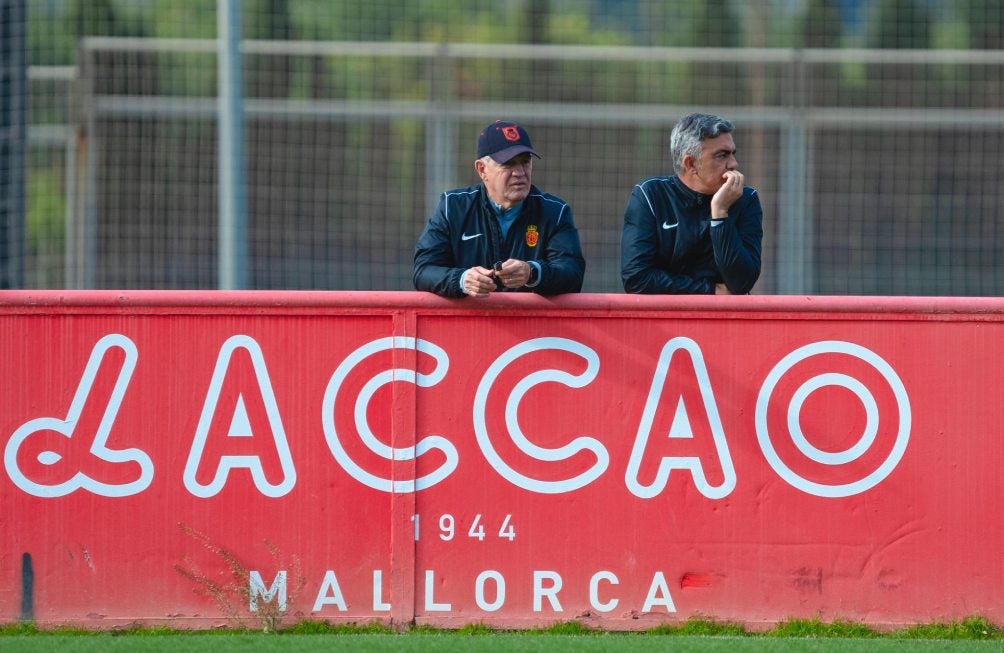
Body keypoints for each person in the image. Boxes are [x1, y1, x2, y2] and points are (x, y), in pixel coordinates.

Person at [414, 120, 585, 297]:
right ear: (482, 170)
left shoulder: (555, 212)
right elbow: (424, 271)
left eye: (525, 162)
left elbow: (572, 273)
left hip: (530, 324)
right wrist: (463, 280)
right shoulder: (452, 207)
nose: (519, 172)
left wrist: (532, 272)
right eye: (508, 164)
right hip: (470, 324)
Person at [620, 113, 763, 295]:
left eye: (733, 154)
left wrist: (720, 213)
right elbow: (637, 279)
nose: (734, 164)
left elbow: (741, 283)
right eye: (722, 155)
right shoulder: (650, 195)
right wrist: (710, 290)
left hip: (723, 321)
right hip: (663, 321)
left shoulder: (746, 199)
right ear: (691, 163)